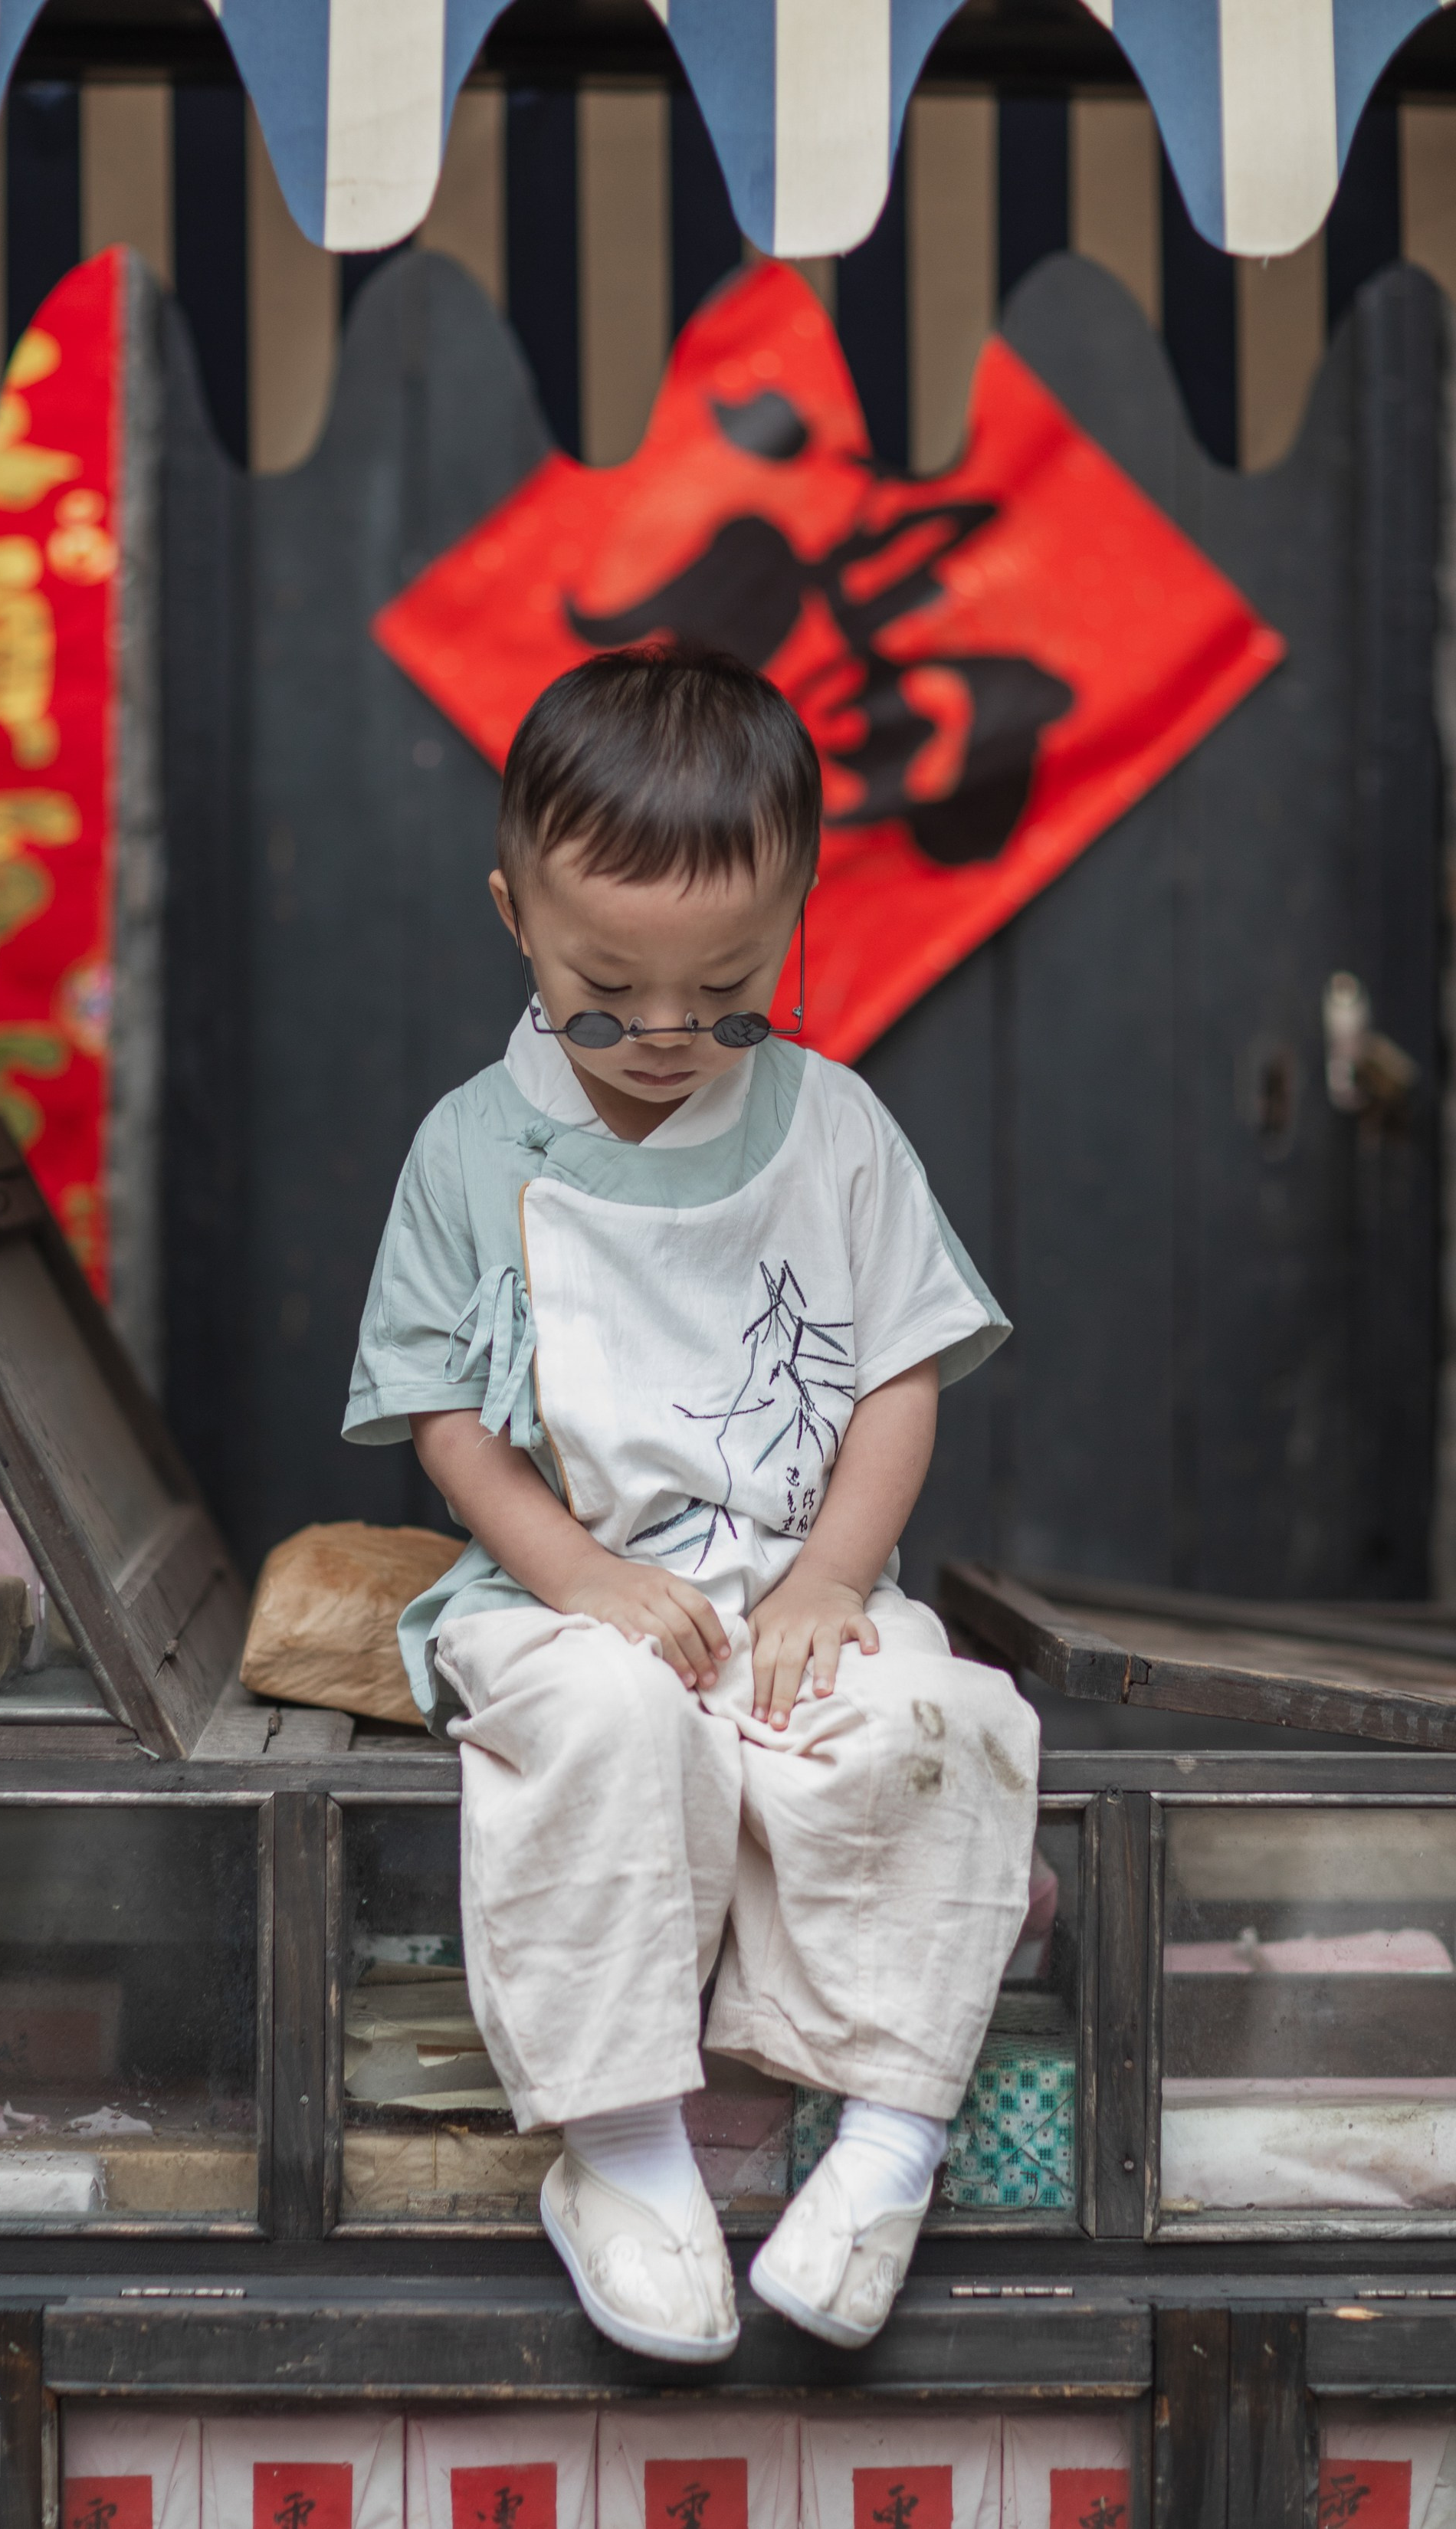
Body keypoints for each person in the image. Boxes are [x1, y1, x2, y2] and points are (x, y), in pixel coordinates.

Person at [344, 647, 1038, 2363]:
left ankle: (885, 2137)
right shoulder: (465, 1148)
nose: (665, 1037)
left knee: (934, 1719)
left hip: (787, 1577)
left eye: (726, 993)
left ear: (796, 919)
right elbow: (444, 1418)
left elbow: (896, 1369)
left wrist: (830, 1577)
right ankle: (621, 2151)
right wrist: (573, 1573)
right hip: (559, 1593)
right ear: (516, 914)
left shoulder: (837, 1128)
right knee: (598, 1720)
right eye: (605, 995)